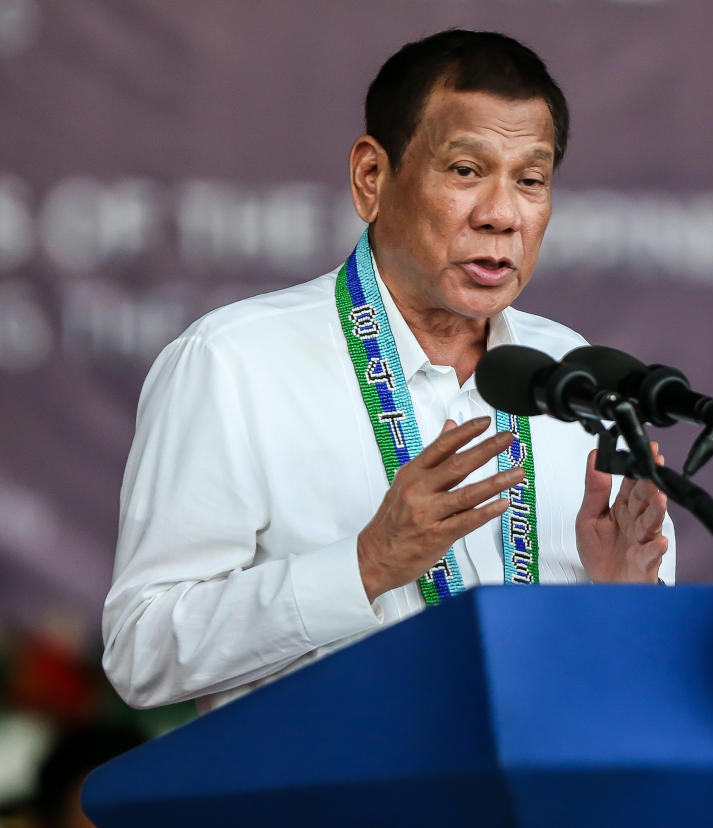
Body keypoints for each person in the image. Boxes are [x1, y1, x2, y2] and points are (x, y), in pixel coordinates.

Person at [101, 30, 674, 714]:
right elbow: (142, 652)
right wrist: (367, 564)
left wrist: (621, 607)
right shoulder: (233, 364)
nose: (501, 215)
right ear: (372, 178)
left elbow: (633, 678)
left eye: (530, 180)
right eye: (465, 171)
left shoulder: (577, 381)